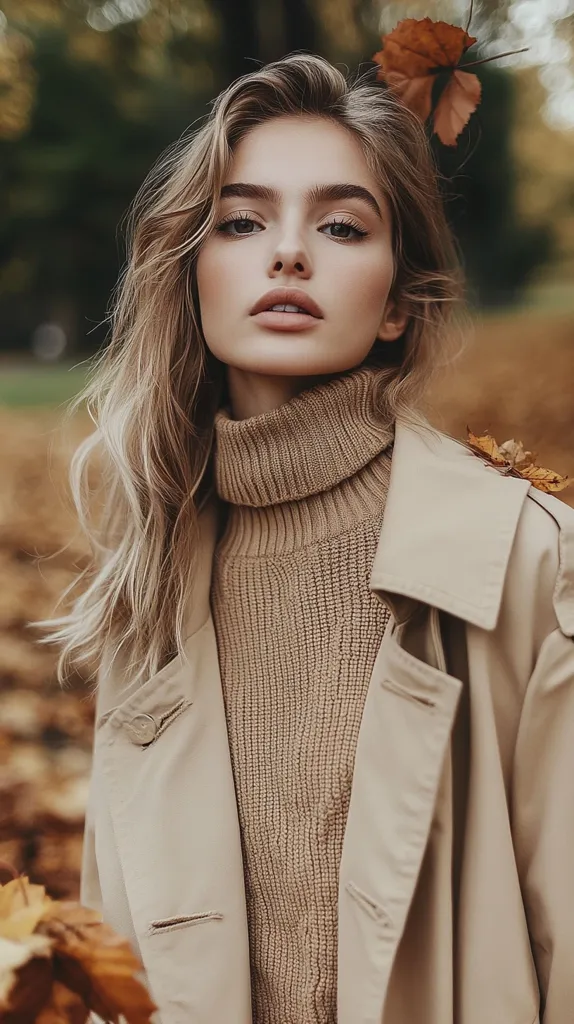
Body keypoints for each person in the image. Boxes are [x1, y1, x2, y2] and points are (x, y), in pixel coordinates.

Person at [36, 53, 574, 1024]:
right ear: (191, 271)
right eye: (242, 223)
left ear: (398, 300)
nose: (288, 253)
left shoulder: (530, 564)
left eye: (341, 226)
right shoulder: (146, 597)